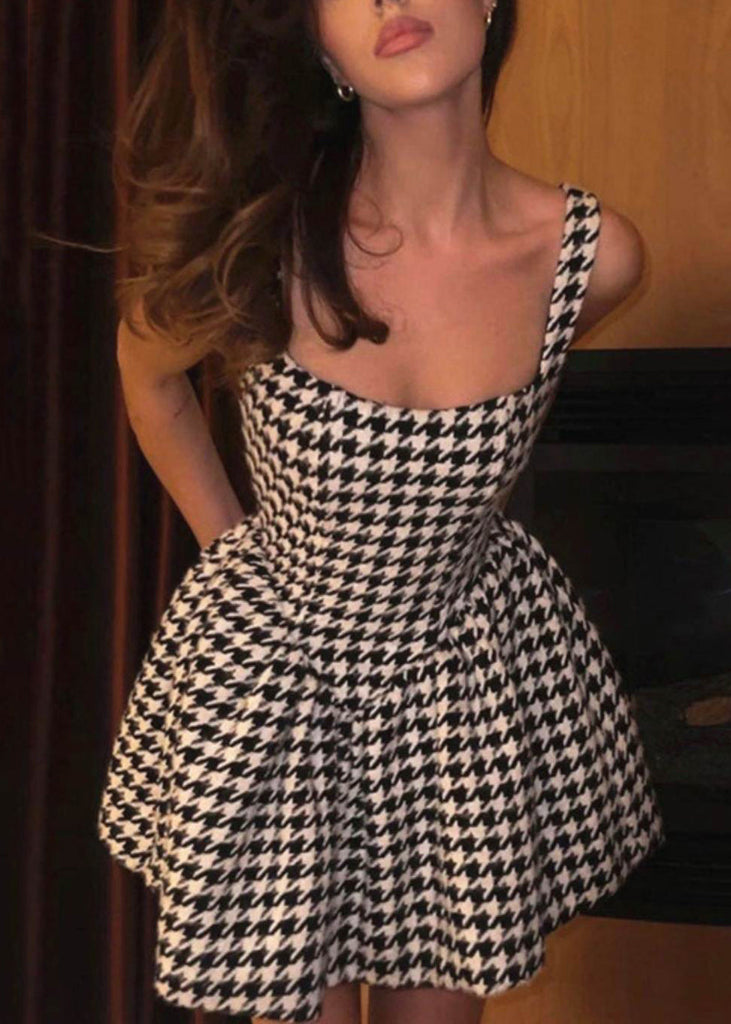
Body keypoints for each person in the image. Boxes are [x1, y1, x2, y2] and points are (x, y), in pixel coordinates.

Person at [97, 2, 666, 1023]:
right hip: (280, 694)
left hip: (458, 690)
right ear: (318, 43)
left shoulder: (592, 256)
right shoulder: (260, 237)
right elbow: (149, 376)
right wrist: (233, 553)